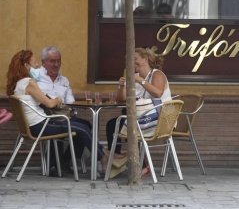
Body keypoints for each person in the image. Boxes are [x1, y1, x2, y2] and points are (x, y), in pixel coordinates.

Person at [6, 50, 124, 176]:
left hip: (35, 124)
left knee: (83, 126)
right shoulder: (29, 82)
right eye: (34, 63)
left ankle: (103, 155)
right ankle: (104, 159)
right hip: (39, 125)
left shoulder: (19, 83)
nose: (36, 66)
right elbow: (50, 104)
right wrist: (59, 99)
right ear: (26, 66)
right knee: (83, 129)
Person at [106, 47, 172, 176]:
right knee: (112, 125)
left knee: (128, 124)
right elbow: (121, 99)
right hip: (142, 118)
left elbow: (158, 93)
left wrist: (140, 80)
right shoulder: (133, 76)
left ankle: (144, 165)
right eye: (128, 60)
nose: (131, 62)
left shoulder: (156, 74)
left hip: (160, 120)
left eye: (134, 59)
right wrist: (121, 86)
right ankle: (115, 161)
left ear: (145, 59)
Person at [37, 46, 93, 175]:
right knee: (55, 124)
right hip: (45, 116)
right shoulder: (36, 79)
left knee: (85, 125)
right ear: (43, 62)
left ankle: (66, 160)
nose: (56, 64)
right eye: (52, 61)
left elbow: (70, 100)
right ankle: (53, 165)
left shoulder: (64, 80)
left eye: (59, 61)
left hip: (64, 114)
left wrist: (72, 109)